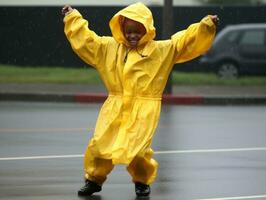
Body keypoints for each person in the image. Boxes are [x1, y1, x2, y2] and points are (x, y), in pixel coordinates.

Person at [61, 2, 219, 197]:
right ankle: (93, 180)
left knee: (138, 149)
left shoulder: (159, 50)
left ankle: (141, 182)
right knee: (100, 144)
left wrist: (205, 26)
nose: (132, 36)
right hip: (115, 104)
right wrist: (72, 17)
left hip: (146, 106)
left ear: (147, 30)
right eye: (128, 31)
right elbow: (86, 40)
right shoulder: (109, 47)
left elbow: (184, 42)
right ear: (121, 29)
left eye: (138, 31)